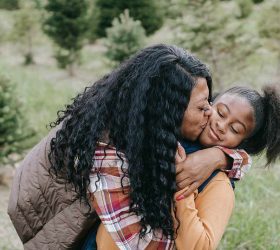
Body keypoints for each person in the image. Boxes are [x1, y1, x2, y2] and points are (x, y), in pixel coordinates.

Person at [8, 44, 248, 249]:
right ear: (168, 112)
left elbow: (241, 153)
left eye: (210, 100)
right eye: (201, 107)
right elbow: (143, 244)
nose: (210, 113)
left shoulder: (145, 125)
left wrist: (221, 157)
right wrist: (183, 190)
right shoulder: (107, 154)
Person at [92, 85, 280, 250]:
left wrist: (182, 189)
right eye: (221, 113)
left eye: (235, 129)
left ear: (243, 142)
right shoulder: (169, 133)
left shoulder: (218, 184)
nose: (222, 126)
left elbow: (200, 246)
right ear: (208, 104)